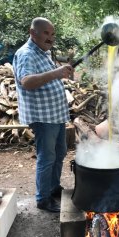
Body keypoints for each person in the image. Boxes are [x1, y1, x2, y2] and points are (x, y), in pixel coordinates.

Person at [13, 17, 74, 212]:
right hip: (42, 116)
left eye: (52, 34)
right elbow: (27, 81)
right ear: (33, 33)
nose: (51, 38)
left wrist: (60, 73)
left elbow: (48, 78)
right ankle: (43, 199)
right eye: (46, 33)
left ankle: (53, 188)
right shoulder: (27, 54)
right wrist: (57, 73)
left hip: (55, 114)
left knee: (59, 153)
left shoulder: (42, 52)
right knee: (47, 157)